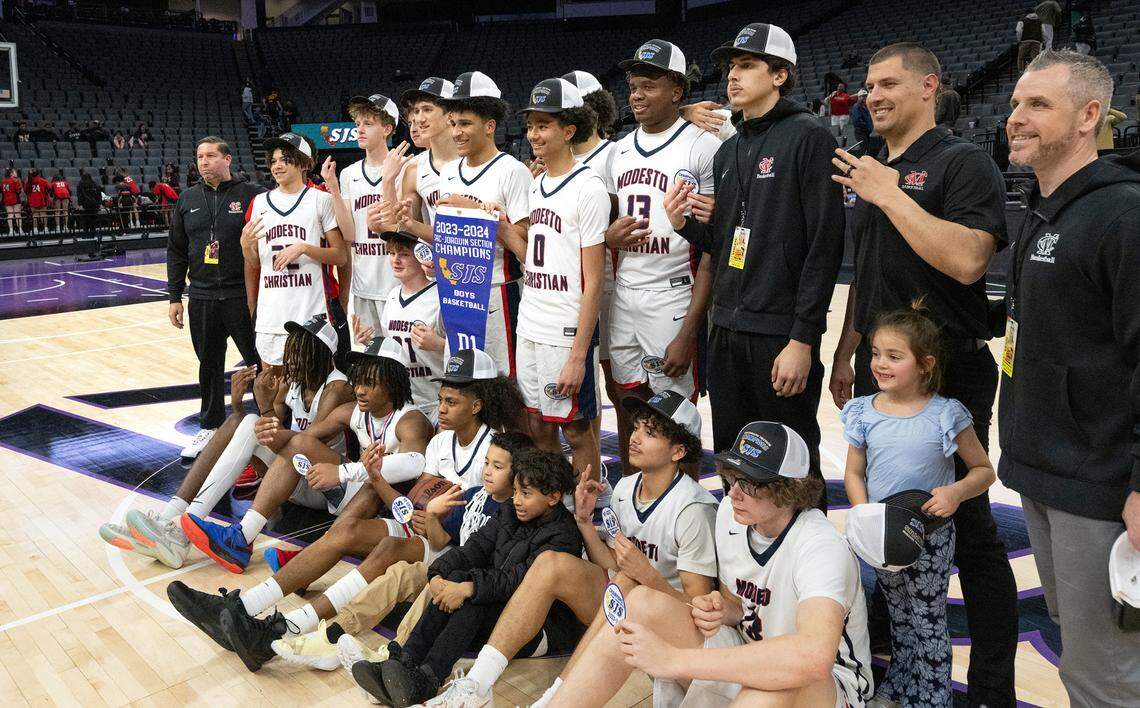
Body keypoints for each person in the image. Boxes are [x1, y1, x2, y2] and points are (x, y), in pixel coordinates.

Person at [829, 42, 1018, 707]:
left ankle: (993, 683)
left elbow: (969, 261)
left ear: (928, 86)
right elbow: (869, 274)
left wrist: (888, 194)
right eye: (867, 85)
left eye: (886, 84)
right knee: (884, 511)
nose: (871, 96)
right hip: (880, 371)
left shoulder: (962, 164)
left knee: (966, 525)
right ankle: (889, 651)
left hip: (950, 374)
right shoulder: (877, 167)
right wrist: (846, 350)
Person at [547, 422, 873, 708]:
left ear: (790, 490)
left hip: (827, 686)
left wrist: (675, 660)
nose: (734, 493)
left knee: (771, 688)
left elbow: (812, 660)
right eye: (733, 478)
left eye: (751, 483)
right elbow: (735, 605)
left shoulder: (821, 546)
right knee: (642, 603)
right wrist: (722, 610)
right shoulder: (731, 516)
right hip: (749, 651)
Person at [1000, 49, 1140, 704]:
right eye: (1014, 104)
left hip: (1099, 487)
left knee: (1101, 676)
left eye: (1037, 105)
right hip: (1040, 468)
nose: (1015, 118)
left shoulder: (1122, 216)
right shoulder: (1042, 209)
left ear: (1088, 117)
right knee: (1078, 651)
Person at [449, 390, 717, 708]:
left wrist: (646, 576)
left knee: (628, 583)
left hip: (668, 623)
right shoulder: (626, 488)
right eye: (637, 428)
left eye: (650, 433)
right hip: (623, 603)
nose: (635, 437)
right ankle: (476, 686)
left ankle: (556, 699)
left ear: (678, 451)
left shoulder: (694, 510)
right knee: (552, 563)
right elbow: (612, 564)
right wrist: (585, 522)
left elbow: (698, 610)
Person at [667, 23, 843, 500]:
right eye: (730, 68)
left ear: (780, 74)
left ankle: (807, 568)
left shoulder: (809, 138)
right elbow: (726, 241)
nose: (733, 77)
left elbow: (823, 246)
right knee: (732, 454)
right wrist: (685, 225)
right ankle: (743, 565)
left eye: (746, 66)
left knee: (790, 461)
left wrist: (803, 339)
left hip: (778, 333)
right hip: (726, 330)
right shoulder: (729, 149)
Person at [99, 315, 351, 568]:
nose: (291, 359)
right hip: (291, 475)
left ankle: (178, 534)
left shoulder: (336, 389)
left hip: (323, 487)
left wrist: (264, 406)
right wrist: (239, 402)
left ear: (321, 355)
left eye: (300, 352)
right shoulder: (292, 381)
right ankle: (168, 520)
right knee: (237, 421)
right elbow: (269, 431)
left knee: (257, 423)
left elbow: (304, 442)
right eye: (291, 350)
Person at [274, 431, 535, 672]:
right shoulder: (475, 495)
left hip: (477, 591)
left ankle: (396, 655)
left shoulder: (518, 513)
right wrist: (432, 515)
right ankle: (335, 634)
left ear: (518, 474)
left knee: (435, 585)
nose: (487, 471)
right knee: (401, 572)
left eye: (497, 467)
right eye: (486, 463)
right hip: (455, 569)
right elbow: (441, 541)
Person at [842, 304, 996, 707]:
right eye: (875, 353)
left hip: (929, 538)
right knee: (899, 617)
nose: (879, 363)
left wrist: (956, 493)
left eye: (894, 356)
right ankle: (901, 684)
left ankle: (932, 698)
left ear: (925, 364)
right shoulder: (863, 412)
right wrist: (863, 514)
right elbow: (854, 474)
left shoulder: (946, 414)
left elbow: (984, 471)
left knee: (927, 621)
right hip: (882, 538)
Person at [350, 449, 581, 707]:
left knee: (473, 598)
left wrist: (468, 589)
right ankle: (401, 663)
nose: (516, 500)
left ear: (553, 497)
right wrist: (437, 575)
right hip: (499, 606)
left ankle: (428, 679)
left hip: (540, 628)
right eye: (515, 491)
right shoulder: (509, 513)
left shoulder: (563, 535)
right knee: (458, 576)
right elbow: (475, 547)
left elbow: (517, 581)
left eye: (525, 494)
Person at [606, 39, 718, 477]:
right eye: (633, 86)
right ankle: (639, 501)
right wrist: (608, 237)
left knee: (677, 419)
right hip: (625, 296)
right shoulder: (619, 150)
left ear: (677, 91)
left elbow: (710, 248)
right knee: (629, 402)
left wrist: (689, 332)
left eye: (649, 86)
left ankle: (685, 502)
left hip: (674, 296)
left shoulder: (703, 146)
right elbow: (602, 223)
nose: (635, 95)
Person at [503, 78, 607, 480]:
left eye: (544, 125)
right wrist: (502, 227)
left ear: (569, 129)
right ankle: (555, 504)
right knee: (538, 426)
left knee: (577, 430)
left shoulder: (588, 188)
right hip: (531, 322)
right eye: (530, 126)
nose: (534, 134)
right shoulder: (537, 184)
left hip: (564, 332)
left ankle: (587, 512)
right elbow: (537, 259)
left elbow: (594, 279)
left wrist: (579, 355)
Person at [167, 136, 265, 460]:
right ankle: (209, 427)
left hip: (242, 294)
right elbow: (176, 251)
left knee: (258, 363)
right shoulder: (187, 199)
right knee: (208, 364)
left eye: (210, 156)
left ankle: (269, 423)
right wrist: (174, 297)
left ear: (228, 159)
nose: (204, 162)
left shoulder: (252, 195)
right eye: (199, 157)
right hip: (203, 296)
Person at [432, 71, 531, 378]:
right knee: (464, 385)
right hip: (455, 294)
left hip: (499, 294)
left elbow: (525, 243)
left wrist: (476, 210)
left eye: (465, 124)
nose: (457, 132)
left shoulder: (512, 171)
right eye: (453, 124)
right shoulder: (448, 171)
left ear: (489, 126)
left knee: (506, 387)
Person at [240, 132, 349, 368]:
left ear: (303, 164)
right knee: (273, 387)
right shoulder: (259, 203)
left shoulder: (321, 200)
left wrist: (303, 248)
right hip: (272, 310)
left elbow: (340, 256)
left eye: (285, 160)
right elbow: (255, 262)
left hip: (311, 308)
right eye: (274, 161)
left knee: (315, 384)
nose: (277, 166)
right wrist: (245, 246)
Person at [561, 69, 624, 466]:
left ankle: (598, 462)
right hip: (567, 285)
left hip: (612, 280)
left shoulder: (614, 153)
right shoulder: (555, 161)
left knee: (611, 377)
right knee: (584, 379)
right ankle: (590, 461)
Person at [328, 93, 401, 341]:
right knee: (371, 362)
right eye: (358, 124)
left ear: (387, 129)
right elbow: (349, 234)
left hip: (397, 283)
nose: (359, 130)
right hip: (364, 285)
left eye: (368, 124)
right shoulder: (348, 174)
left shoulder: (404, 168)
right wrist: (335, 191)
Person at [378, 229, 447, 423]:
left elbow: (467, 350)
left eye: (404, 254)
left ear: (422, 257)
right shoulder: (392, 296)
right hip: (404, 403)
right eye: (392, 253)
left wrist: (439, 344)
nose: (396, 260)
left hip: (437, 401)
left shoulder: (440, 297)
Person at [382, 76, 456, 244]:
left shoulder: (476, 161)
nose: (419, 119)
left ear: (450, 114)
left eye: (427, 109)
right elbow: (408, 232)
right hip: (437, 268)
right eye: (416, 111)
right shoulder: (414, 169)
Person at [25, 169, 50, 235]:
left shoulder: (28, 182)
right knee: (43, 215)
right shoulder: (43, 180)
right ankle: (45, 228)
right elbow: (49, 188)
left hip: (33, 201)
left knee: (35, 215)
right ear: (38, 173)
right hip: (42, 200)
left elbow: (25, 191)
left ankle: (35, 229)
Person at [851, 88, 875, 153]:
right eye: (862, 96)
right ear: (859, 97)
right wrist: (865, 127)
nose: (864, 97)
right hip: (861, 132)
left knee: (869, 149)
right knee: (865, 150)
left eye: (865, 96)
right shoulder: (857, 106)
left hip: (867, 132)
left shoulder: (867, 105)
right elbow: (857, 120)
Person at [1, 169, 22, 236]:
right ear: (11, 174)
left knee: (10, 215)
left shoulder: (3, 181)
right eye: (14, 172)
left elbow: (1, 190)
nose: (15, 173)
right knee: (17, 215)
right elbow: (18, 191)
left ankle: (11, 230)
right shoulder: (15, 180)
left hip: (6, 200)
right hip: (15, 199)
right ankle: (20, 230)